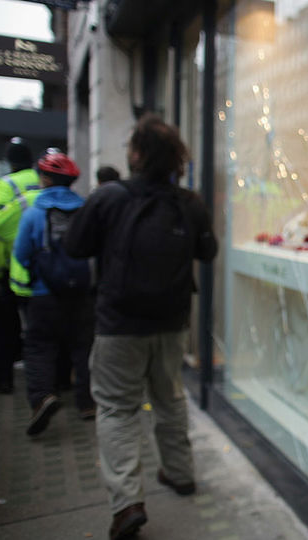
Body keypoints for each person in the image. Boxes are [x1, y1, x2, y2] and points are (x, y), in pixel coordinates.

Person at [65, 113, 217, 540]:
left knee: (116, 407)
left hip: (118, 324)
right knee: (169, 397)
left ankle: (127, 502)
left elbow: (74, 245)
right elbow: (208, 252)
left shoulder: (108, 197)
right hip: (171, 323)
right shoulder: (189, 202)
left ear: (135, 154)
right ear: (175, 157)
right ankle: (180, 473)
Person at [11, 149, 95, 436]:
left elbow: (21, 254)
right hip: (82, 294)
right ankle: (87, 403)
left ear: (45, 179)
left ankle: (42, 398)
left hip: (44, 294)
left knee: (39, 348)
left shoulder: (34, 213)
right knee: (83, 347)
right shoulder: (86, 211)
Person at [0, 137, 40, 394]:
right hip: (44, 261)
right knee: (41, 326)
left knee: (4, 326)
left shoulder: (6, 184)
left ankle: (3, 378)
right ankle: (52, 380)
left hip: (10, 265)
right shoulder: (41, 179)